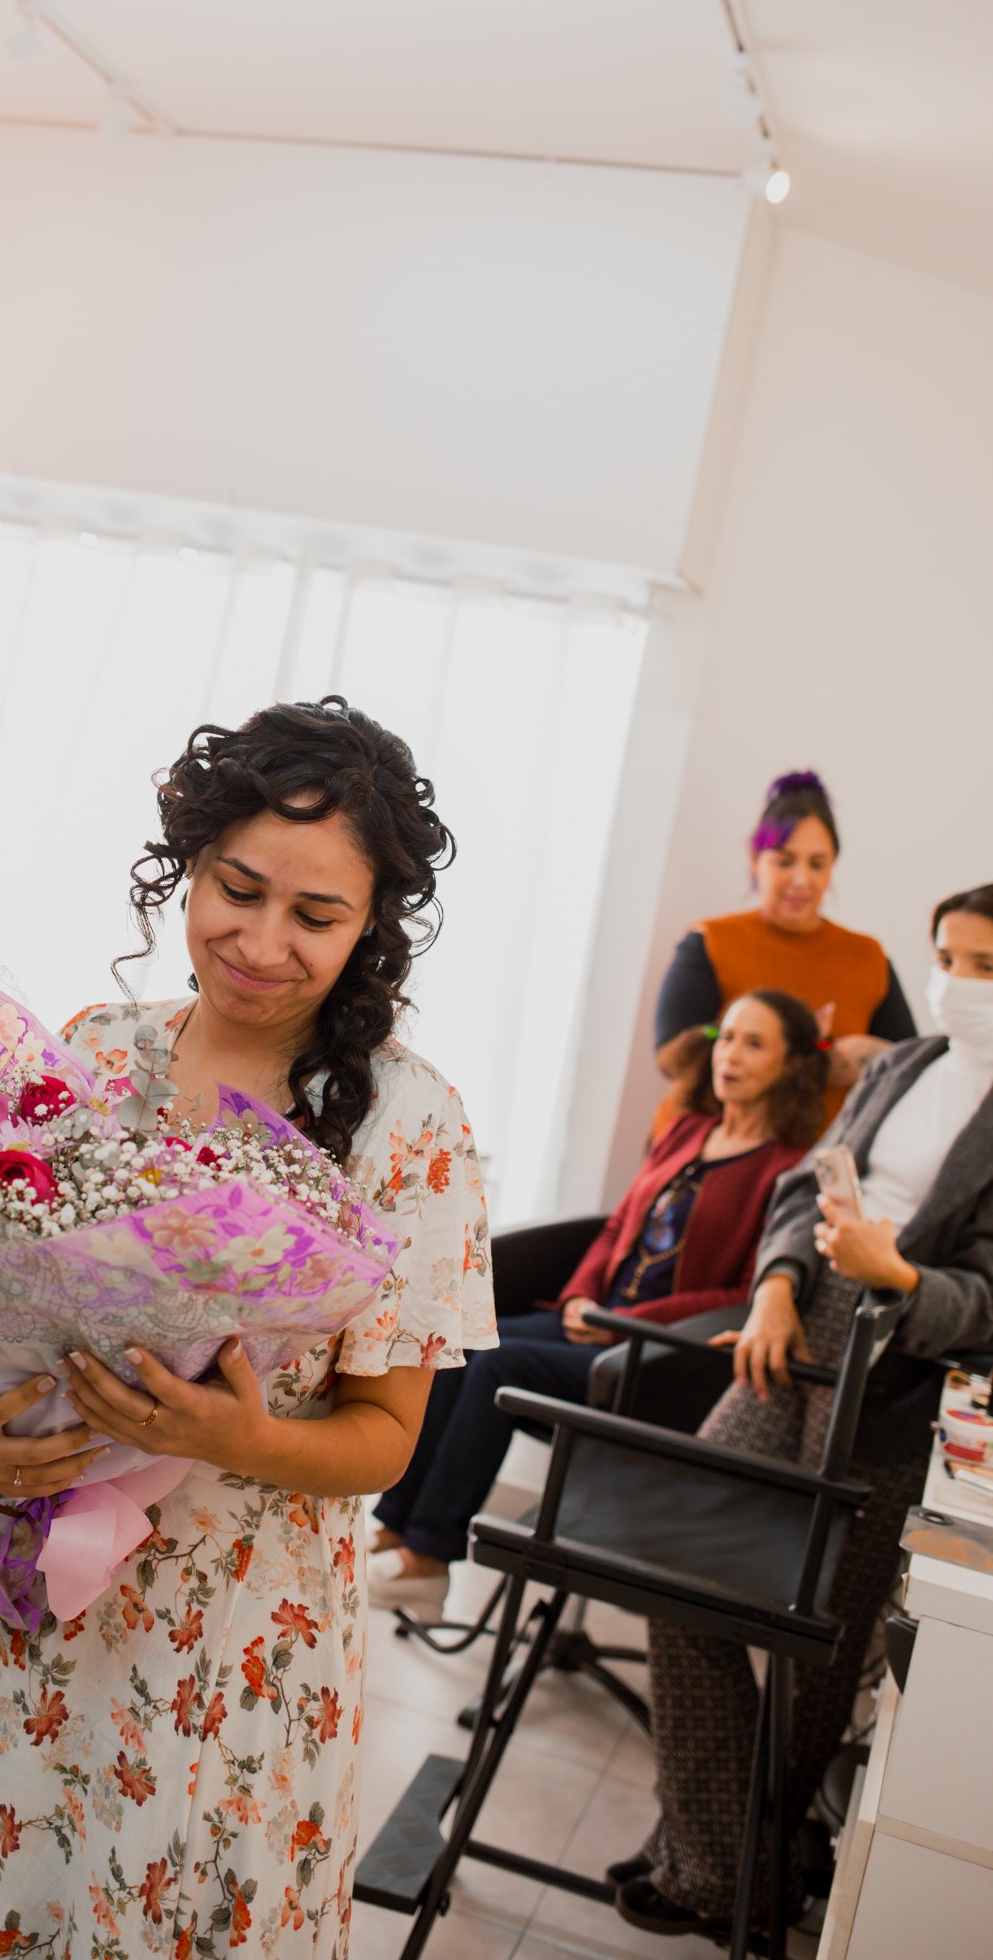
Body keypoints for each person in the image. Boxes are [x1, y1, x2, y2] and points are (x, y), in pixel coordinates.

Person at [0, 699, 494, 1959]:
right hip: (14, 1604)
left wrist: (230, 1434)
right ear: (189, 863)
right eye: (238, 888)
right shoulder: (90, 1053)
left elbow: (386, 1439)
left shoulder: (411, 1124)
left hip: (221, 1652)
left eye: (317, 915)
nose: (263, 941)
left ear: (373, 926)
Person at [615, 883, 993, 1942]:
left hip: (901, 1377)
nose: (955, 984)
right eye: (946, 958)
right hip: (790, 1337)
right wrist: (776, 1286)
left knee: (815, 1654)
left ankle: (712, 1864)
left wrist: (902, 1276)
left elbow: (988, 1301)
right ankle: (742, 1863)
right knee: (673, 1567)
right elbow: (805, 1189)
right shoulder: (902, 1065)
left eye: (983, 967)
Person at [367, 989, 827, 1620]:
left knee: (500, 1365)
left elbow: (743, 1296)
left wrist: (624, 1323)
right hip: (595, 1320)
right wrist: (581, 1296)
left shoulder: (789, 1170)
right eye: (727, 1037)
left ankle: (428, 1557)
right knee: (462, 1341)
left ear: (794, 1064)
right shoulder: (688, 1129)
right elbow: (615, 1229)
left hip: (656, 1358)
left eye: (755, 1044)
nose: (731, 1055)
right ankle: (395, 1528)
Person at [653, 771, 915, 1139]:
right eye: (785, 861)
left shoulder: (868, 957)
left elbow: (911, 1065)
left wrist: (869, 1056)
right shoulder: (711, 941)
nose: (801, 880)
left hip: (813, 1157)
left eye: (817, 863)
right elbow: (671, 1057)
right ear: (755, 860)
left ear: (832, 866)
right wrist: (795, 1054)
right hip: (706, 1148)